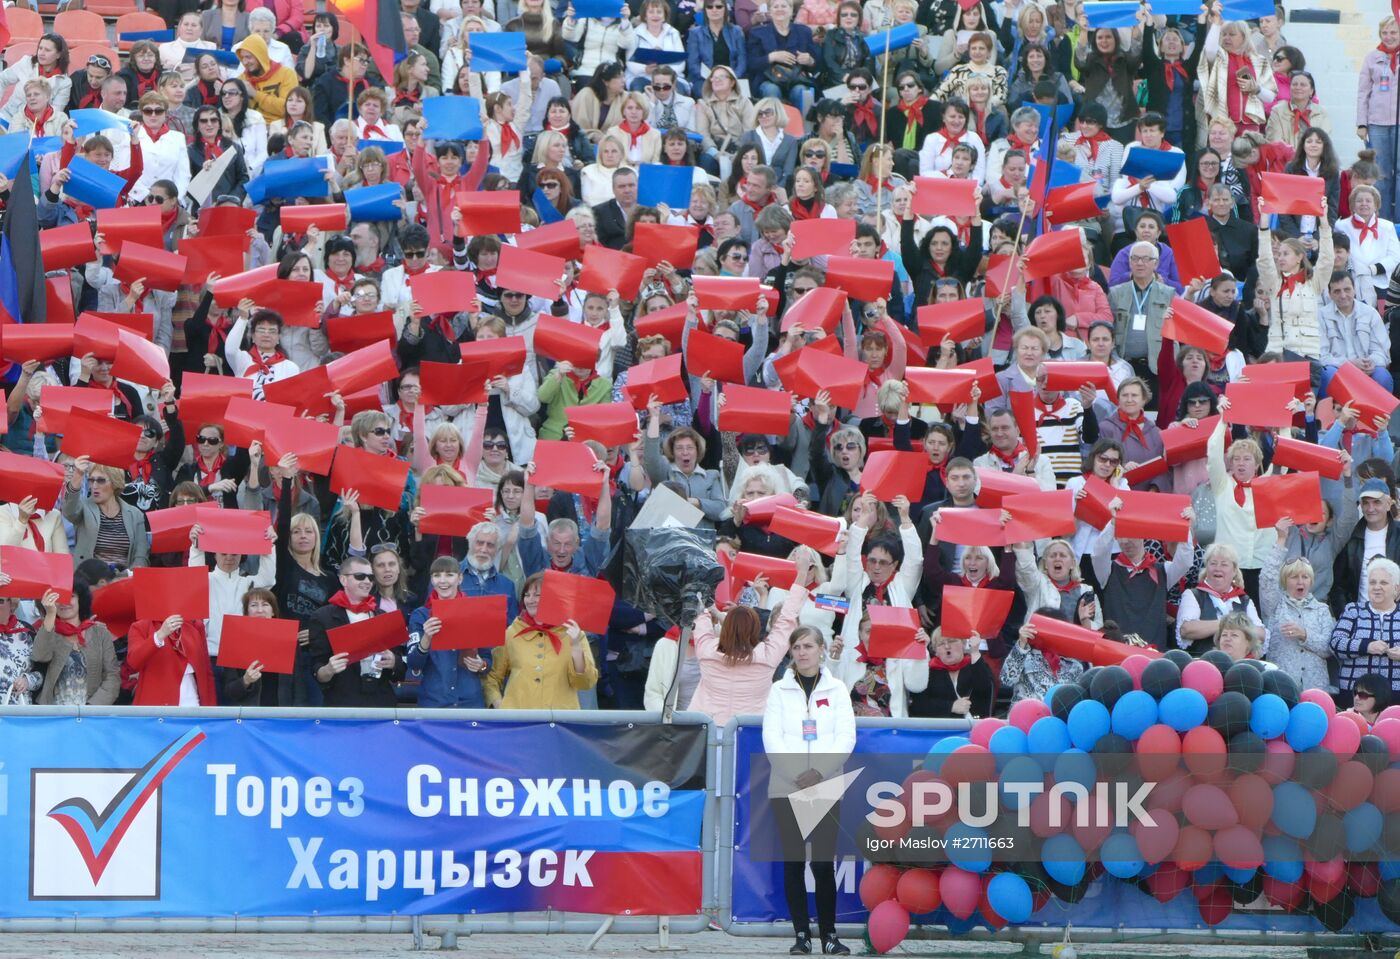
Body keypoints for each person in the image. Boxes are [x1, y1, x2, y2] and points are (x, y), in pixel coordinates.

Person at [761, 623, 855, 957]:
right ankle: (801, 934)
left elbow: (846, 737)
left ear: (821, 649)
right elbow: (772, 738)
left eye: (808, 646)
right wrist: (796, 774)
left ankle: (829, 935)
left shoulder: (838, 689)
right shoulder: (779, 690)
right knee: (794, 862)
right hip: (786, 788)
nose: (802, 652)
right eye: (797, 647)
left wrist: (820, 772)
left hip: (826, 786)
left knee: (821, 865)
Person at [689, 557, 811, 725]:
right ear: (755, 630)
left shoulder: (706, 650)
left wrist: (694, 576)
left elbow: (699, 611)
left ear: (726, 626)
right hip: (748, 733)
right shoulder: (767, 656)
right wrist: (802, 573)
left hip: (706, 732)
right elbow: (787, 619)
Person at [484, 571, 599, 709]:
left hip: (560, 723)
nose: (530, 600)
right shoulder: (512, 632)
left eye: (537, 595)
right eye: (527, 595)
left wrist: (575, 646)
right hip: (520, 723)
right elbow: (492, 677)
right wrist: (500, 705)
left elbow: (584, 683)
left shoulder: (573, 633)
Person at [307, 556, 405, 707]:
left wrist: (394, 662)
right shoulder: (322, 618)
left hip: (381, 701)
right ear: (343, 580)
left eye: (370, 577)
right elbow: (317, 670)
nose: (367, 581)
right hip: (343, 702)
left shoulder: (383, 616)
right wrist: (328, 669)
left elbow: (401, 666)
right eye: (360, 576)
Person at [406, 556, 490, 707]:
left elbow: (487, 659)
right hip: (435, 702)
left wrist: (481, 665)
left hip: (470, 702)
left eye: (449, 575)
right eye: (437, 575)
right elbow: (413, 664)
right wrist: (426, 637)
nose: (442, 581)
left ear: (460, 579)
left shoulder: (475, 611)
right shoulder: (421, 615)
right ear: (431, 580)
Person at [1260, 530, 1334, 693]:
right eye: (1294, 577)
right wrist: (1281, 539)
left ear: (1311, 581)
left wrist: (1304, 635)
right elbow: (1267, 578)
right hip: (1281, 687)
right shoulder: (1275, 605)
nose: (1300, 581)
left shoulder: (1322, 610)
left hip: (1316, 688)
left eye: (1305, 577)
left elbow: (1329, 648)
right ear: (1284, 581)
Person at [31, 584, 120, 706]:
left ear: (81, 600)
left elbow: (112, 676)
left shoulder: (100, 632)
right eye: (58, 598)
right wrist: (50, 614)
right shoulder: (48, 630)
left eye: (71, 596)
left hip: (91, 715)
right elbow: (39, 656)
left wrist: (92, 707)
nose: (64, 603)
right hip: (53, 715)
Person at [1330, 557, 1400, 700]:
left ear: (1396, 588)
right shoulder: (1353, 610)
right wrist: (1366, 646)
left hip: (1395, 694)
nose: (1377, 587)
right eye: (1372, 582)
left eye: (1384, 582)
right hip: (1355, 692)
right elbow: (1335, 644)